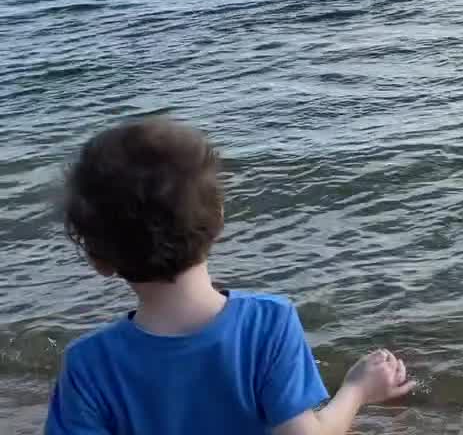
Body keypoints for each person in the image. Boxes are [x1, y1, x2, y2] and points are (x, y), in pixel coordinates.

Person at [45, 117, 415, 434]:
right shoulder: (267, 322)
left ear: (98, 259)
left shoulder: (87, 364)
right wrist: (358, 389)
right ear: (218, 218)